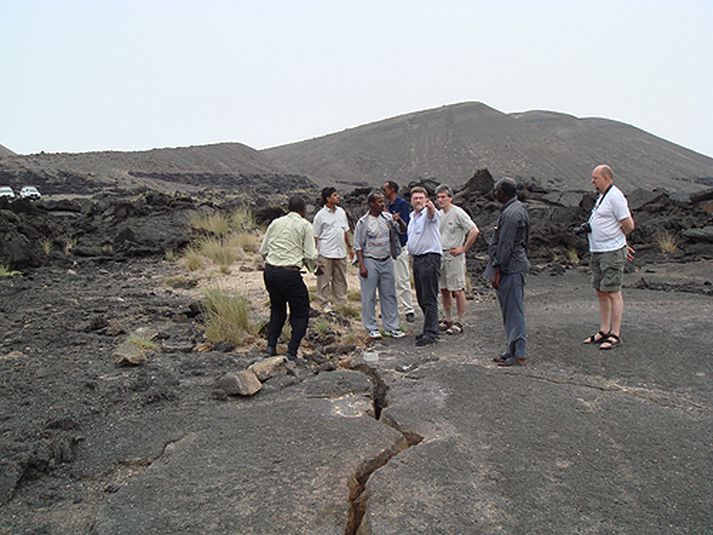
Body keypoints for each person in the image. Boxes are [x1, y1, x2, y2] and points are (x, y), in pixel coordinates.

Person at [582, 164, 635, 350]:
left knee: (613, 291)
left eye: (595, 177)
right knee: (601, 291)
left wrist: (620, 242)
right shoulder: (602, 196)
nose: (592, 181)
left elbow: (628, 225)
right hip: (597, 250)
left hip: (611, 252)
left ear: (606, 177)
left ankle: (615, 334)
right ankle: (604, 330)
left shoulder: (615, 196)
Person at [259, 196, 318, 360]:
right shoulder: (305, 225)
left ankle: (271, 346)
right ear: (303, 210)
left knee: (277, 309)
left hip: (270, 271)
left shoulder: (275, 223)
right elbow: (310, 254)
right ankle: (292, 351)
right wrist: (314, 268)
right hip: (289, 272)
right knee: (300, 311)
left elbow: (263, 250)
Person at [485, 178, 530, 367]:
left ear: (502, 192)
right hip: (514, 265)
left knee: (513, 311)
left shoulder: (511, 214)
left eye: (496, 190)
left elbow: (505, 246)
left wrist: (497, 270)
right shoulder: (517, 209)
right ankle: (511, 348)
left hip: (510, 269)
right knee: (510, 310)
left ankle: (519, 352)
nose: (494, 193)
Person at [354, 190, 406, 339]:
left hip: (386, 259)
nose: (383, 204)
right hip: (370, 260)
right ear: (371, 204)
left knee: (389, 294)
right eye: (379, 202)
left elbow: (402, 230)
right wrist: (362, 266)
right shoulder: (363, 222)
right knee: (369, 295)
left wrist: (399, 220)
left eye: (383, 201)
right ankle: (371, 327)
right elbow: (358, 245)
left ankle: (392, 326)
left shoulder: (388, 218)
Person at [435, 184, 480, 335]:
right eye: (438, 197)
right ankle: (448, 318)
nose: (440, 200)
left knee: (458, 289)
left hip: (454, 255)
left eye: (443, 197)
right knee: (444, 289)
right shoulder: (439, 214)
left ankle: (460, 321)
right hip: (441, 254)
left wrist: (464, 248)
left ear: (450, 198)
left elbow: (474, 230)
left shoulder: (458, 213)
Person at [407, 186, 442, 346]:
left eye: (421, 198)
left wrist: (431, 208)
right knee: (421, 296)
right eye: (415, 198)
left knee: (429, 296)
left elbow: (432, 215)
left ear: (427, 200)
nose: (418, 200)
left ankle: (432, 333)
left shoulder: (430, 215)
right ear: (411, 200)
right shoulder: (412, 217)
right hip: (418, 259)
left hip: (430, 257)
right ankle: (429, 327)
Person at [313, 187, 352, 313]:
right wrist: (316, 255)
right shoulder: (320, 215)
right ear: (328, 198)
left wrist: (350, 247)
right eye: (335, 195)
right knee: (324, 279)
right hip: (325, 252)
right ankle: (324, 303)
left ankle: (340, 303)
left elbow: (345, 231)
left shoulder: (341, 212)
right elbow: (316, 236)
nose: (338, 197)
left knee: (340, 278)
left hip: (340, 252)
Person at [383, 180, 416, 323]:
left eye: (385, 189)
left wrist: (396, 219)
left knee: (402, 278)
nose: (383, 192)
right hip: (387, 247)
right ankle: (392, 309)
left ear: (392, 190)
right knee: (389, 280)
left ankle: (408, 309)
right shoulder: (387, 206)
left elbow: (406, 225)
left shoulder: (402, 205)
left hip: (400, 246)